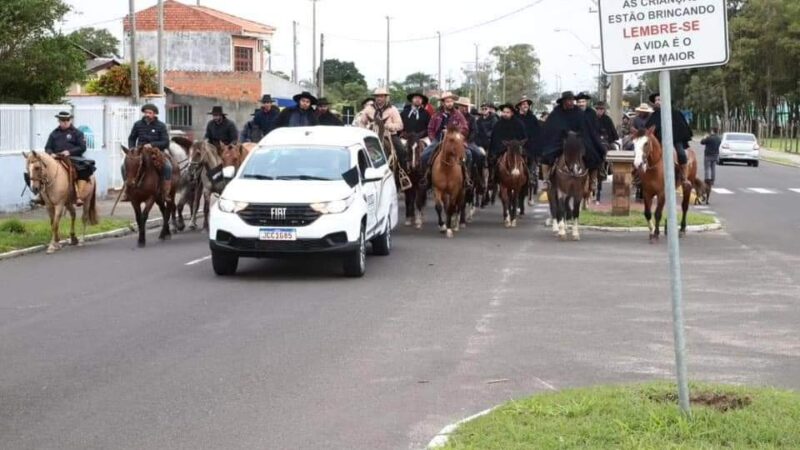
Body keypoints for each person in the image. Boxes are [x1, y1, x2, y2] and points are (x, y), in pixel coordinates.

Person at [538, 91, 606, 189]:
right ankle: (546, 180)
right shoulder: (556, 113)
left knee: (593, 153)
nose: (571, 102)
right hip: (560, 140)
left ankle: (593, 180)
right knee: (547, 154)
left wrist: (577, 134)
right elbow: (551, 129)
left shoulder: (578, 112)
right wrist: (562, 133)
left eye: (572, 100)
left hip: (578, 139)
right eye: (568, 100)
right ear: (563, 101)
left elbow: (584, 127)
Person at [36, 111, 95, 206]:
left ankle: (78, 195)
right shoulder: (53, 134)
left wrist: (69, 152)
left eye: (67, 120)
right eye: (62, 120)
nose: (65, 122)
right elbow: (47, 147)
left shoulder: (77, 133)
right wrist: (51, 154)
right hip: (55, 158)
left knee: (82, 171)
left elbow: (82, 147)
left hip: (73, 158)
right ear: (59, 121)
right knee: (41, 170)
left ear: (70, 120)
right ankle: (41, 195)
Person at [420, 92, 470, 185]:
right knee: (423, 156)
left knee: (468, 154)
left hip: (454, 140)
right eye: (447, 101)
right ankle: (426, 177)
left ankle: (466, 178)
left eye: (451, 101)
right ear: (443, 103)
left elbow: (465, 128)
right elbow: (430, 128)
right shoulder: (436, 115)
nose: (450, 103)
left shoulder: (458, 115)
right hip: (439, 139)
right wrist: (432, 139)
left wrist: (452, 132)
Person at [125, 103, 171, 199]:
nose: (147, 115)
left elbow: (165, 142)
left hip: (156, 152)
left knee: (168, 167)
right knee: (124, 165)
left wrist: (152, 145)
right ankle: (128, 190)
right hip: (139, 152)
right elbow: (132, 138)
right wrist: (132, 149)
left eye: (149, 113)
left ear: (154, 114)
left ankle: (165, 191)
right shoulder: (137, 124)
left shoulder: (161, 126)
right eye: (146, 112)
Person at [645, 92, 694, 181]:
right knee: (643, 155)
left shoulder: (676, 113)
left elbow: (682, 128)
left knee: (681, 154)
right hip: (657, 142)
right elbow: (648, 130)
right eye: (656, 100)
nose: (657, 102)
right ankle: (640, 180)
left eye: (659, 100)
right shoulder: (653, 116)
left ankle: (683, 176)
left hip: (675, 141)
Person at [357, 87, 406, 168]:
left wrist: (389, 126)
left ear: (385, 97)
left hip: (389, 136)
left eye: (381, 96)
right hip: (371, 136)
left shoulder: (393, 109)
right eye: (377, 96)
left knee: (402, 150)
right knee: (358, 150)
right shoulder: (368, 109)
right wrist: (366, 130)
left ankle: (402, 171)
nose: (379, 98)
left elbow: (400, 125)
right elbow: (361, 122)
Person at [515, 96, 542, 165]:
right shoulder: (515, 118)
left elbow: (538, 132)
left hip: (531, 148)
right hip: (517, 147)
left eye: (527, 104)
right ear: (519, 106)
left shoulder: (532, 118)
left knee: (531, 168)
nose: (526, 106)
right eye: (523, 104)